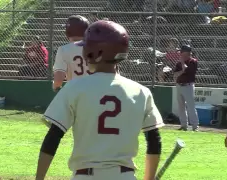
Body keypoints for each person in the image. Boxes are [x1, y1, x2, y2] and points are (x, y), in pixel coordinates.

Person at [36, 20, 164, 180]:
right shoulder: (141, 92)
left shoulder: (74, 88)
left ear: (93, 52)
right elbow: (154, 141)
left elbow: (52, 138)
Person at [52, 15, 91, 92]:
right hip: (97, 91)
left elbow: (58, 80)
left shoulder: (64, 49)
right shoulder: (98, 47)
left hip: (76, 92)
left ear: (68, 31)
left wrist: (55, 86)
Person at [173, 45, 199, 131]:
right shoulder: (178, 63)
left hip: (188, 86)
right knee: (181, 107)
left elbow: (186, 70)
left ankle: (195, 126)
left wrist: (182, 65)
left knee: (191, 106)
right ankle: (184, 125)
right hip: (179, 85)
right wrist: (181, 70)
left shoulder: (193, 62)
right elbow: (175, 75)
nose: (180, 54)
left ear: (187, 53)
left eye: (182, 52)